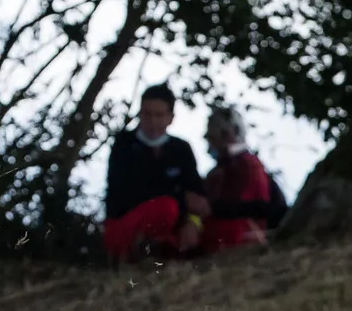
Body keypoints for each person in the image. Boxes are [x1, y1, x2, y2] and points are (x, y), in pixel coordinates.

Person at [102, 84, 209, 263]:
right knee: (167, 207)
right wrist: (180, 199)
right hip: (127, 225)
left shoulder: (181, 149)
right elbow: (122, 194)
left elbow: (197, 196)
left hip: (174, 223)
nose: (152, 122)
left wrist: (193, 221)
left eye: (159, 115)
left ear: (171, 118)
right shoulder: (124, 145)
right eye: (147, 114)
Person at [200, 106, 274, 254]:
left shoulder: (247, 165)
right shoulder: (220, 169)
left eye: (214, 138)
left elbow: (240, 206)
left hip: (240, 238)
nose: (211, 144)